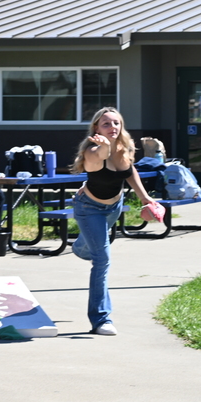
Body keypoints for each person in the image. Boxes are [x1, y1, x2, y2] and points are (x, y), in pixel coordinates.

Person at [71, 107, 158, 336]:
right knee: (102, 259)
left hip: (114, 208)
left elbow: (129, 172)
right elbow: (99, 158)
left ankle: (80, 245)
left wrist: (145, 199)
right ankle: (101, 319)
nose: (113, 128)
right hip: (89, 209)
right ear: (96, 128)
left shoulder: (123, 148)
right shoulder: (92, 152)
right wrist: (105, 147)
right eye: (106, 124)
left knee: (90, 248)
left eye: (116, 123)